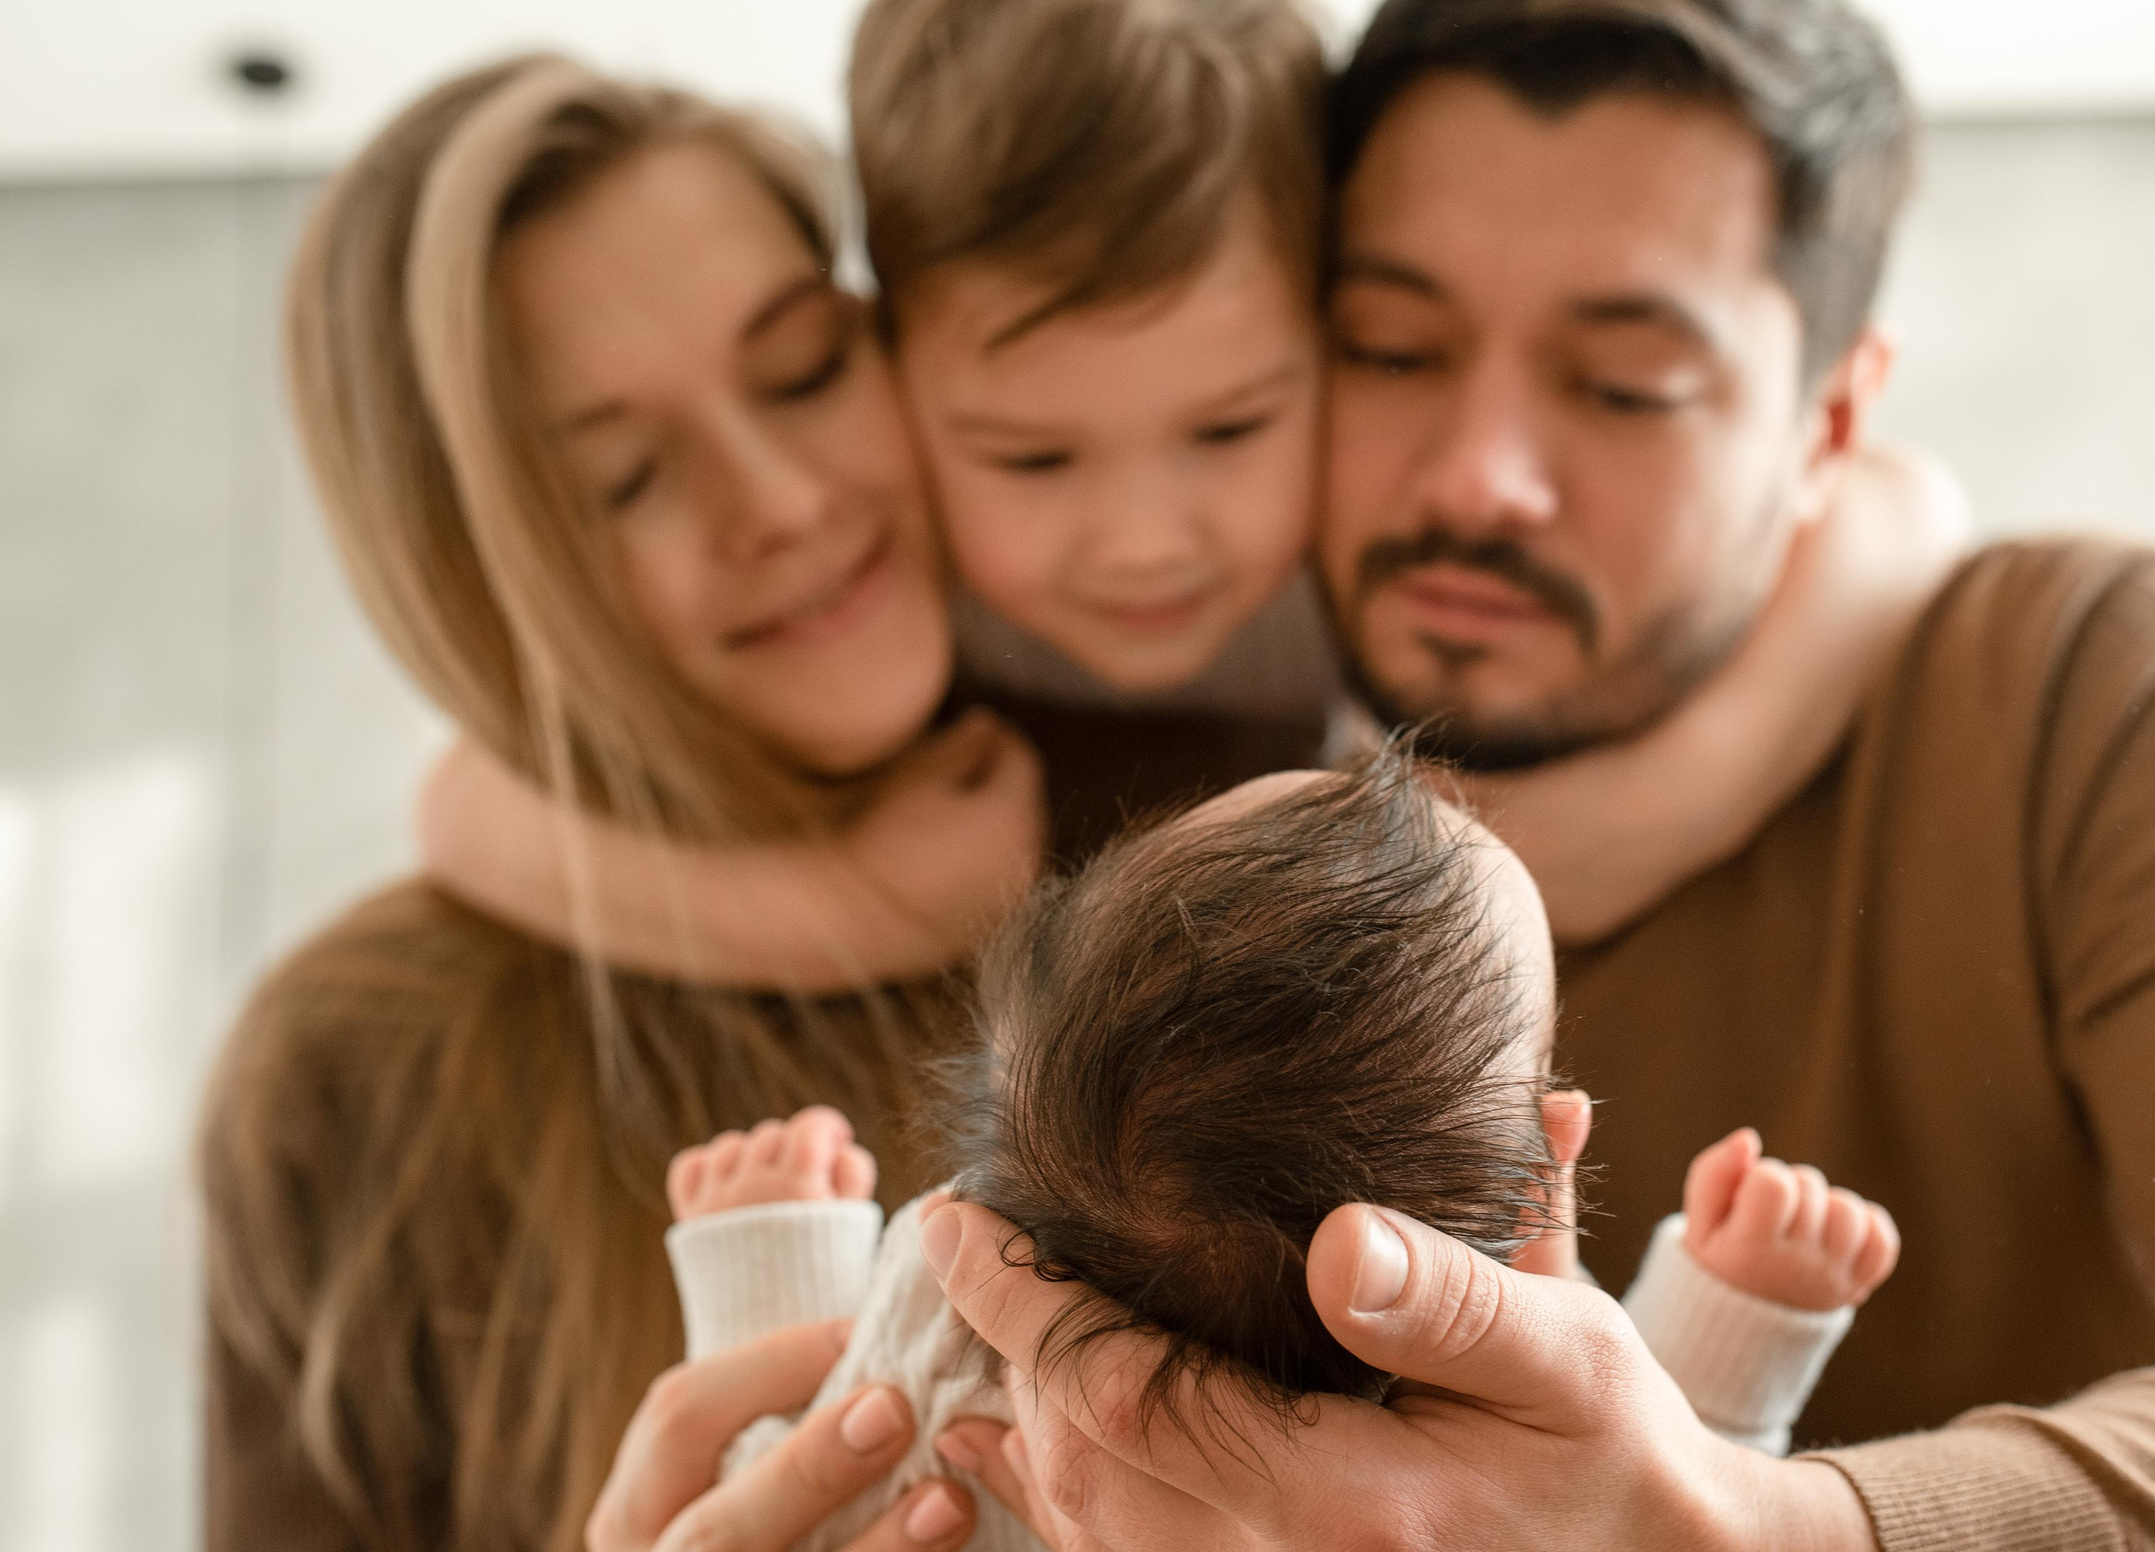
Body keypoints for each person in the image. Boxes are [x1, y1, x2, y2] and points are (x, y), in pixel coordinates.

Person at [915, 1, 2155, 1552]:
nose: (1480, 476)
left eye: (1625, 385)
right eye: (1393, 348)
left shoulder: (2071, 673)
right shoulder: (1163, 833)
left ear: (1832, 420)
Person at [195, 56, 1167, 1552]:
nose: (783, 505)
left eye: (803, 367)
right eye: (623, 481)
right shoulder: (348, 1081)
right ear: (474, 582)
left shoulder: (1211, 810)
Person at [410, 0, 1970, 989]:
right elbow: (463, 811)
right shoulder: (881, 575)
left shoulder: (1374, 564)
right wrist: (856, 908)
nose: (1146, 541)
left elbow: (1901, 516)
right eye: (1030, 457)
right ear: (893, 357)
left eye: (1232, 429)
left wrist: (1641, 813)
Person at [653, 751, 1899, 1552]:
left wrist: (769, 1260)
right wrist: (1747, 1311)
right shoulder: (1498, 1416)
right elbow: (1664, 1526)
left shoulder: (954, 1303)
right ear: (1549, 1160)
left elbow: (792, 1500)